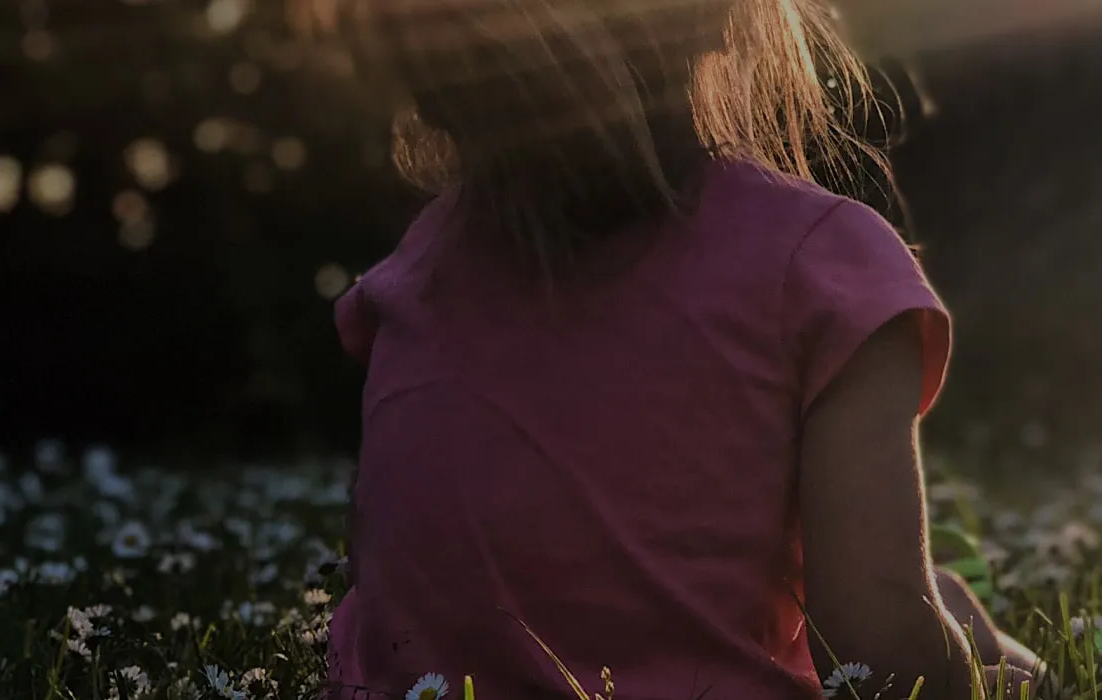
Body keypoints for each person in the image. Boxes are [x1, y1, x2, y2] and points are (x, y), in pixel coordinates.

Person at [318, 0, 1038, 698]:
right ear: (718, 17)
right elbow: (883, 659)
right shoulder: (820, 270)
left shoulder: (414, 278)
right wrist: (1011, 675)